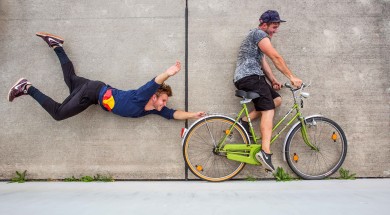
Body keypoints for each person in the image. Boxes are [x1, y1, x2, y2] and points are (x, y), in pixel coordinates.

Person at [8, 32, 205, 121]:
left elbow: (173, 114)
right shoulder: (143, 96)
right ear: (155, 95)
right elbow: (156, 82)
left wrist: (193, 115)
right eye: (162, 100)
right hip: (92, 93)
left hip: (94, 90)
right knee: (59, 114)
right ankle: (27, 87)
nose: (163, 104)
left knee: (70, 79)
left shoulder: (151, 110)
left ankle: (56, 45)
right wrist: (168, 73)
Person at [233, 10, 303, 171]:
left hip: (252, 77)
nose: (275, 30)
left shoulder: (257, 38)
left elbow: (263, 61)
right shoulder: (259, 34)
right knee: (268, 109)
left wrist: (272, 80)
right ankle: (265, 152)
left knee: (276, 100)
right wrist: (291, 76)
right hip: (250, 77)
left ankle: (245, 121)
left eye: (277, 27)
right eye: (274, 26)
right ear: (264, 24)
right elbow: (275, 57)